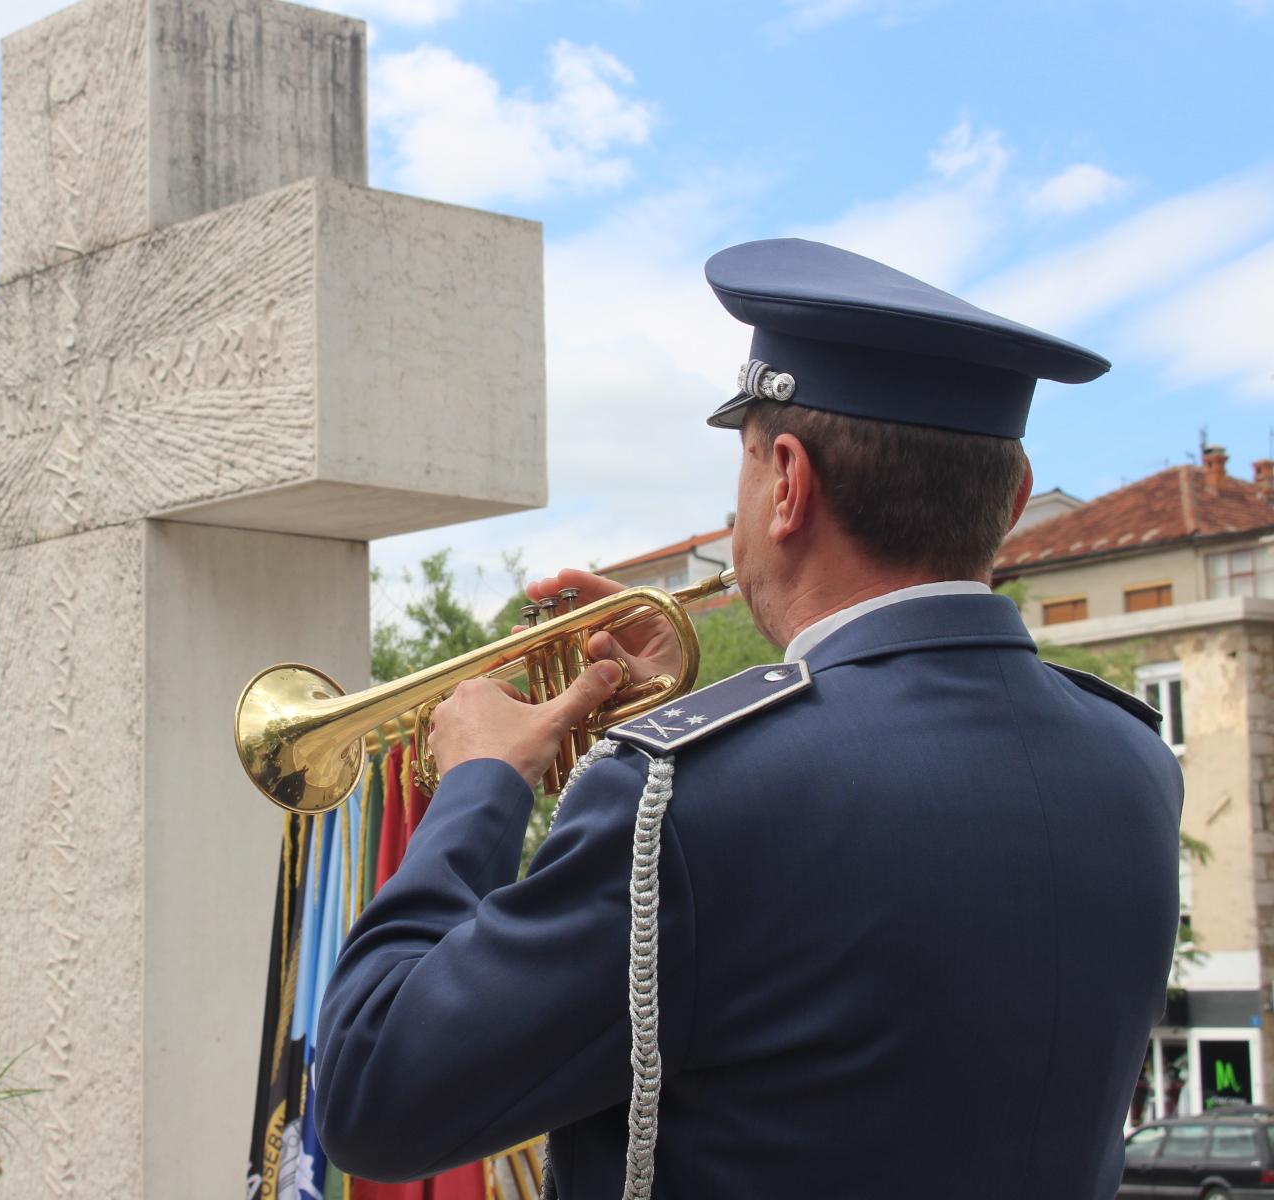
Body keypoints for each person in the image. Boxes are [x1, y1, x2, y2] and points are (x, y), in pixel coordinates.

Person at [313, 238, 1183, 1198]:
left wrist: (481, 782)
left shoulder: (676, 800)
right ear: (1014, 500)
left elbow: (371, 1093)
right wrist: (701, 720)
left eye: (745, 468)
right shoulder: (1135, 760)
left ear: (788, 483)